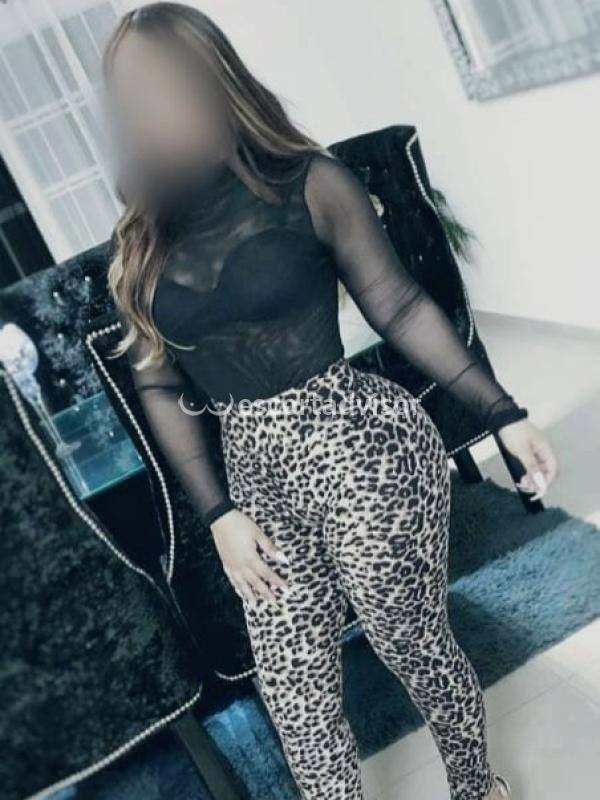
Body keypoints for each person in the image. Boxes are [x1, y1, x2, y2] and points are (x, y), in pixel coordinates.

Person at [102, 4, 559, 799]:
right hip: (254, 482)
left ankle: (476, 786)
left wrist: (502, 413)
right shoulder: (142, 233)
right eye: (134, 93)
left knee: (407, 639)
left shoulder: (310, 182)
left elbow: (400, 307)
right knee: (295, 694)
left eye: (164, 85)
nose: (153, 108)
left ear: (211, 78)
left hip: (362, 447)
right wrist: (219, 514)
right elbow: (158, 382)